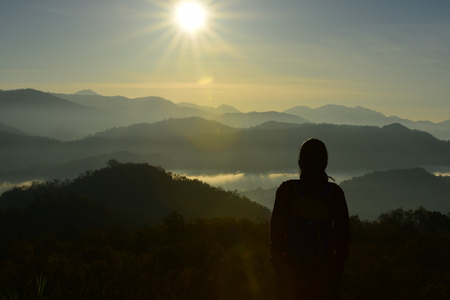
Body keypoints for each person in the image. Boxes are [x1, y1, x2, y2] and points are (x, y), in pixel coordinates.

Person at [270, 138, 351, 300]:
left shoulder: (287, 190)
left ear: (300, 162)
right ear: (325, 163)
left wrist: (281, 270)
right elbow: (344, 238)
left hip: (292, 274)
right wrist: (335, 272)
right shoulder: (334, 194)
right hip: (324, 276)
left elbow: (275, 235)